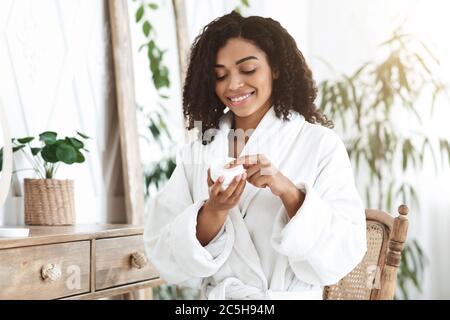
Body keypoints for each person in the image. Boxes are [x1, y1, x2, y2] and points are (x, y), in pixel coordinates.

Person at [144, 11, 367, 300]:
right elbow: (163, 253)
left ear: (275, 68)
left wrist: (289, 193)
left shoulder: (320, 145)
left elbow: (344, 252)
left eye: (247, 70)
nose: (233, 85)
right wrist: (214, 211)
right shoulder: (198, 152)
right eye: (220, 75)